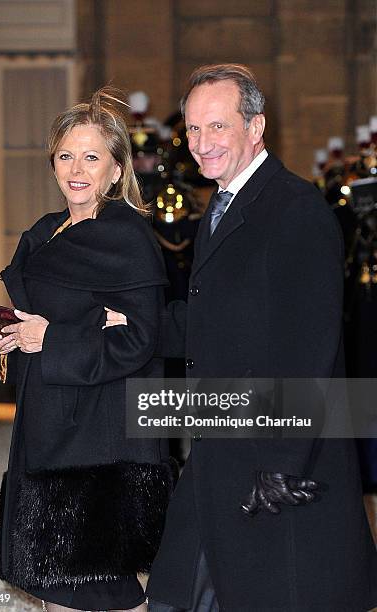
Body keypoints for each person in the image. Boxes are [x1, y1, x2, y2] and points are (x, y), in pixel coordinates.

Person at [106, 65, 377, 610]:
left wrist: (281, 465)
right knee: (178, 592)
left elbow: (311, 349)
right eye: (194, 130)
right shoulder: (222, 209)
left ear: (256, 127)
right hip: (220, 438)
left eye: (218, 127)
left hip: (272, 458)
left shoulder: (296, 210)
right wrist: (123, 326)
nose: (202, 144)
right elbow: (208, 321)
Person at [0, 88, 175, 612]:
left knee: (92, 585)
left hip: (99, 431)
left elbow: (141, 338)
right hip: (48, 419)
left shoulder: (127, 238)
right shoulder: (46, 231)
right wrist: (13, 335)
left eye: (92, 156)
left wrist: (54, 337)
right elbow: (44, 319)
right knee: (51, 581)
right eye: (66, 155)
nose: (76, 168)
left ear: (116, 170)